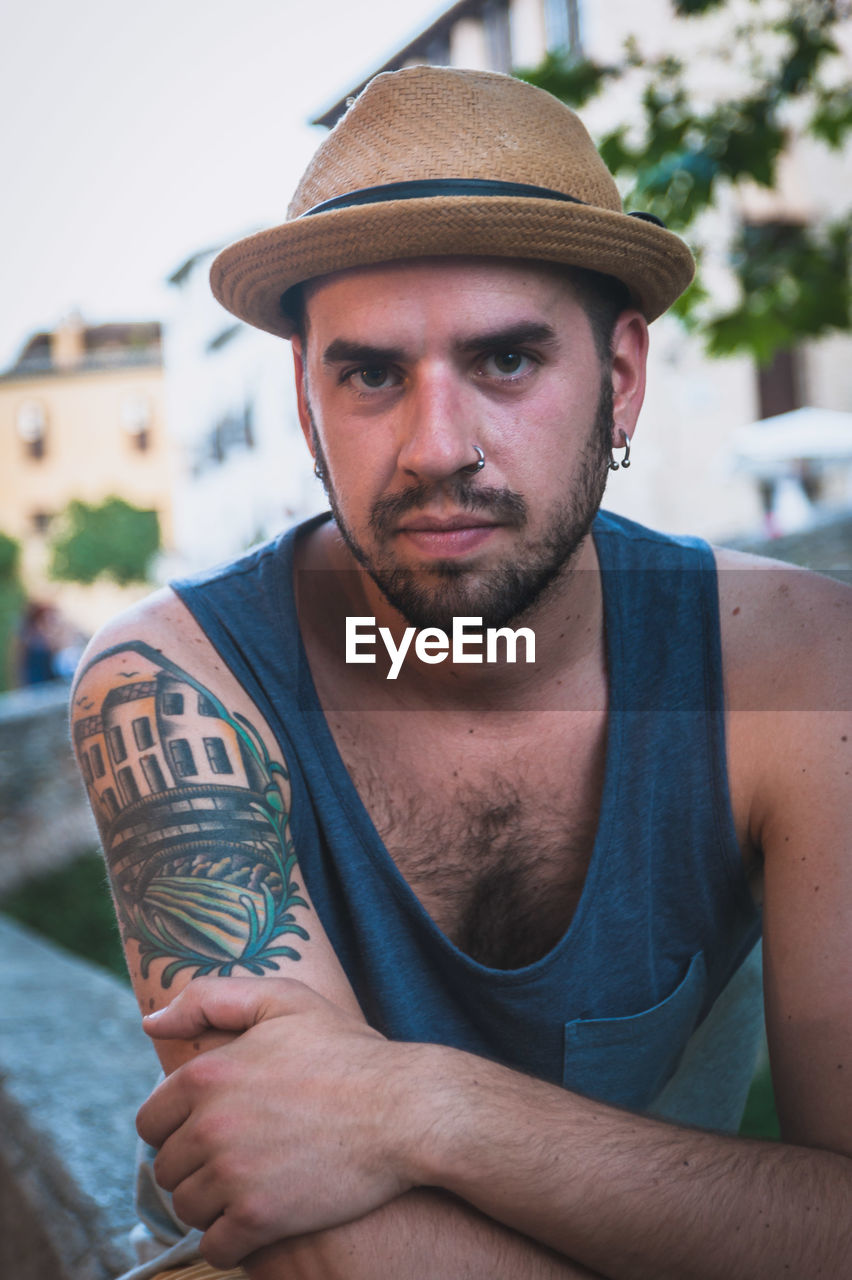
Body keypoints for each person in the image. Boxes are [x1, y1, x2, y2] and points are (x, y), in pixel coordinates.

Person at [70, 66, 851, 1280]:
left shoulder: (797, 670)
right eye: (371, 373)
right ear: (304, 397)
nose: (437, 448)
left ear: (624, 376)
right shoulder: (173, 688)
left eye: (505, 361)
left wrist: (419, 1105)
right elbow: (306, 1222)